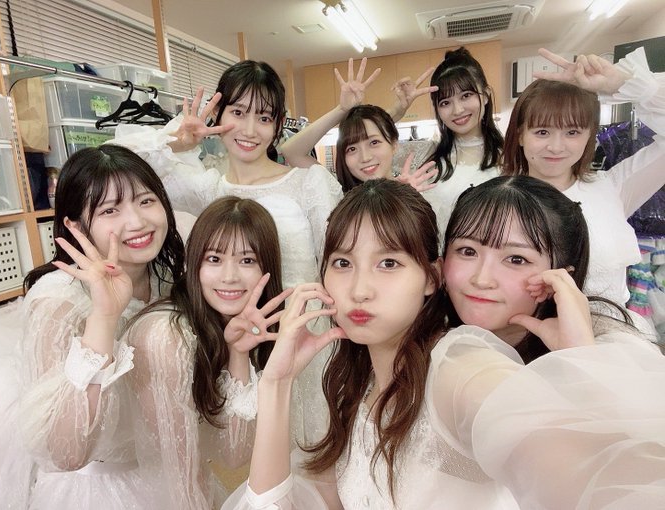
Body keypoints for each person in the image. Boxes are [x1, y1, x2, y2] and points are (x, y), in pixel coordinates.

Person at [223, 178, 665, 510]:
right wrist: (276, 383)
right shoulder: (365, 373)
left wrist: (579, 363)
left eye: (515, 258)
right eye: (467, 251)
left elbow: (612, 484)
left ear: (429, 276)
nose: (481, 279)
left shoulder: (459, 365)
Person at [113, 60, 342, 445]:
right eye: (238, 113)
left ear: (278, 124)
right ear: (217, 116)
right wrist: (178, 141)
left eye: (264, 118)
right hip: (237, 340)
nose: (250, 130)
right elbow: (117, 165)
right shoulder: (207, 189)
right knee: (250, 447)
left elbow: (335, 263)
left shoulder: (308, 182)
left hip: (305, 335)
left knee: (311, 444)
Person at [0, 144, 186, 509]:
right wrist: (104, 318)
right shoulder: (57, 303)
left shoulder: (166, 278)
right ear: (75, 226)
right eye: (110, 210)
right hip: (97, 486)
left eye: (145, 201)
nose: (137, 222)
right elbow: (65, 452)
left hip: (162, 465)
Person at [123, 196, 292, 509]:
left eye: (247, 261)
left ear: (268, 269)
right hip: (141, 491)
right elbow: (177, 472)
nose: (230, 276)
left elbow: (235, 454)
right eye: (214, 259)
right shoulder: (166, 338)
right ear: (194, 264)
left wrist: (238, 354)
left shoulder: (236, 325)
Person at [501, 47, 665, 307]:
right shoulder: (499, 200)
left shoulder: (613, 188)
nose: (556, 147)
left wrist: (622, 84)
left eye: (572, 132)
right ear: (521, 135)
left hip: (612, 328)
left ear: (589, 135)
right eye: (542, 132)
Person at [280, 58, 438, 192]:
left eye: (374, 142)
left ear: (394, 144)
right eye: (352, 149)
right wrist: (341, 110)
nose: (365, 157)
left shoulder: (413, 188)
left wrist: (406, 198)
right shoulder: (337, 193)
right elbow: (291, 151)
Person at [419, 46, 503, 237]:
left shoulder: (511, 154)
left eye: (466, 96)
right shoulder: (427, 157)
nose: (457, 110)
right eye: (445, 102)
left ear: (486, 95)